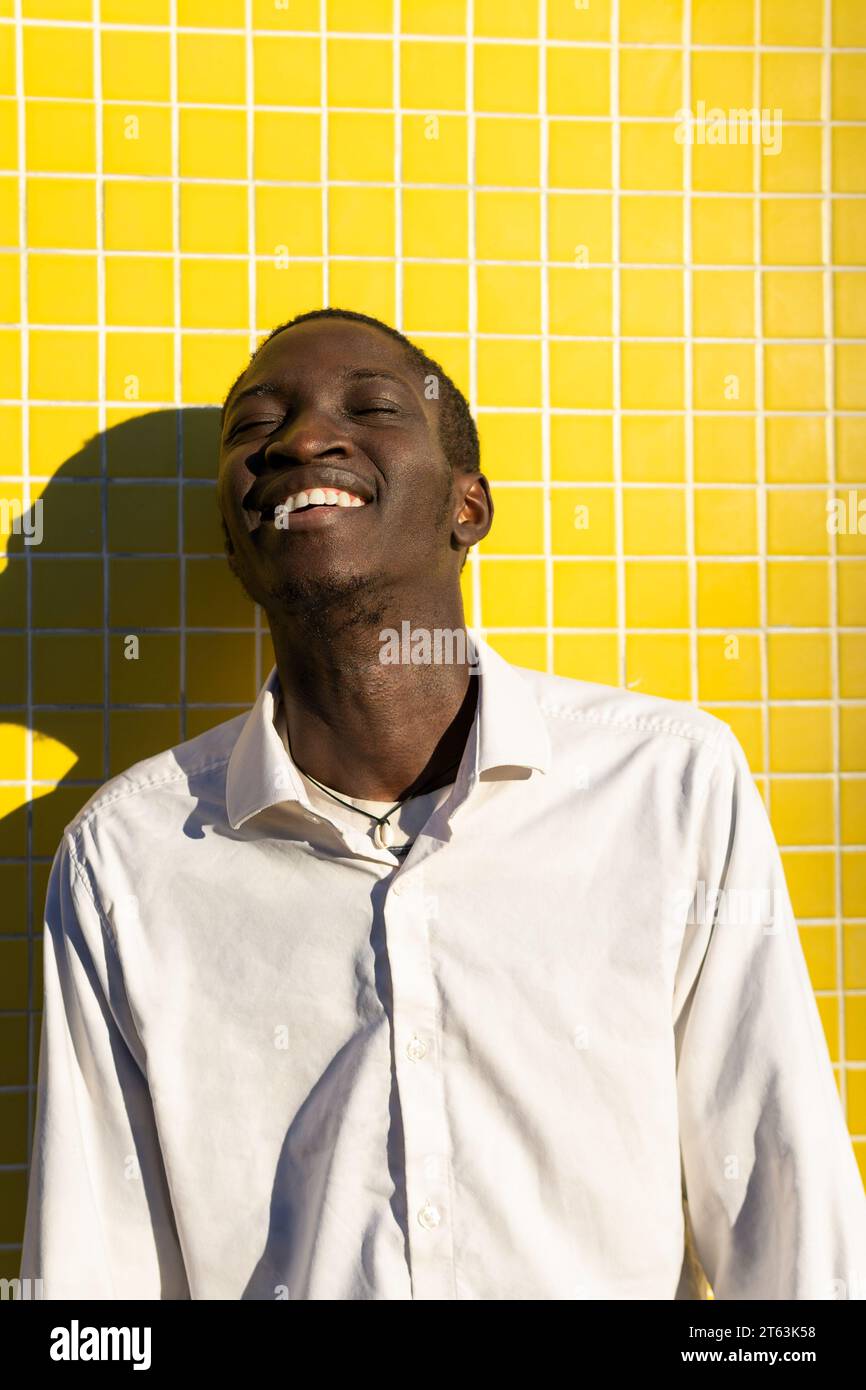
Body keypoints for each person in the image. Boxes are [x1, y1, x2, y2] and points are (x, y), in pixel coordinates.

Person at [20, 308, 866, 1300]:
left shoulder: (668, 789)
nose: (298, 440)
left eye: (371, 407)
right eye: (255, 428)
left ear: (469, 505)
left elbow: (784, 1214)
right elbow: (97, 1281)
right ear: (229, 537)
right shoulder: (124, 863)